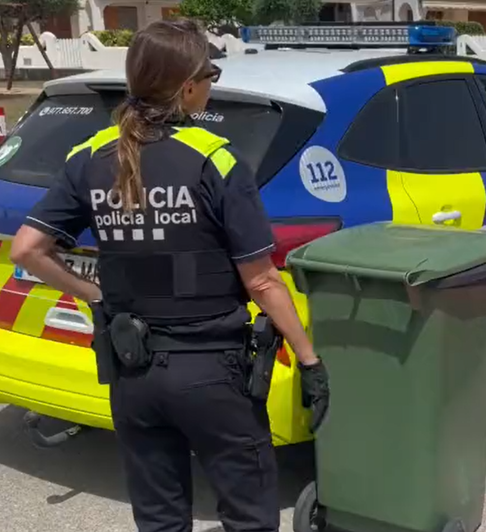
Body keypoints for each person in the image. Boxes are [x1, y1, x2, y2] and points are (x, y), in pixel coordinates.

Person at [9, 19, 329, 532]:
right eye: (208, 76)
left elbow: (29, 250)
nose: (211, 86)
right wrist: (309, 360)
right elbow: (263, 282)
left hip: (133, 374)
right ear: (186, 88)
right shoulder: (216, 161)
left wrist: (94, 294)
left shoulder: (88, 157)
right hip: (211, 374)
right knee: (248, 515)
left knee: (160, 520)